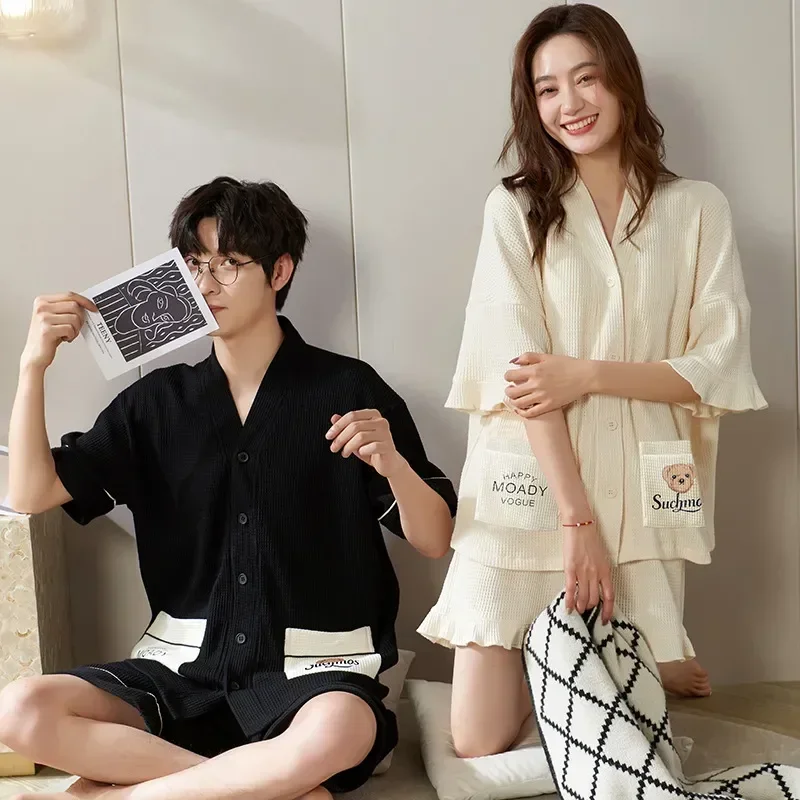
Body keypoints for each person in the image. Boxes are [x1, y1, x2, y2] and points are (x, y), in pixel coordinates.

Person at [0, 176, 457, 800]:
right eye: (194, 265)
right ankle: (266, 785)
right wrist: (32, 366)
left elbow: (434, 540)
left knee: (341, 729)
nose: (207, 284)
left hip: (313, 680)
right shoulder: (155, 404)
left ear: (279, 271)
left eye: (229, 264)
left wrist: (394, 465)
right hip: (183, 677)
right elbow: (31, 494)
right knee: (19, 710)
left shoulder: (348, 390)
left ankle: (134, 796)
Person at [418, 3, 766, 759]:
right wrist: (576, 525)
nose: (569, 103)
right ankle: (609, 672)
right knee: (477, 742)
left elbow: (717, 365)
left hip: (644, 480)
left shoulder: (697, 209)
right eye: (547, 89)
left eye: (586, 78)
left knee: (635, 734)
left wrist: (586, 374)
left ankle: (634, 669)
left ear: (622, 82)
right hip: (532, 485)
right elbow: (522, 380)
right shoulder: (515, 209)